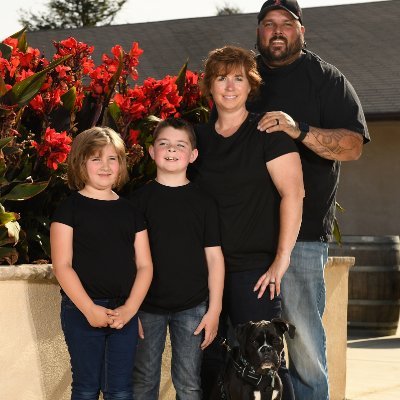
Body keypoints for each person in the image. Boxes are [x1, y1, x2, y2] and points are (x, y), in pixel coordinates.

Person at [249, 1, 371, 399]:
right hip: (242, 236)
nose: (277, 30)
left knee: (302, 348)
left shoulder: (326, 80)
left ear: (303, 31)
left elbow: (352, 146)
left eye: (287, 23)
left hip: (302, 238)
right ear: (259, 31)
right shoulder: (242, 77)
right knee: (241, 347)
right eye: (269, 23)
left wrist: (297, 129)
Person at [191, 45, 304, 400]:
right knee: (207, 363)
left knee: (265, 368)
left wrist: (281, 260)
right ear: (209, 86)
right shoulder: (197, 140)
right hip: (204, 272)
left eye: (238, 78)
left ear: (250, 85)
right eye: (221, 78)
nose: (229, 86)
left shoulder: (268, 132)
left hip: (253, 274)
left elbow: (294, 193)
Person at [50, 126, 153, 400]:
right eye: (96, 159)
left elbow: (145, 266)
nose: (105, 166)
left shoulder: (131, 211)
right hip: (81, 310)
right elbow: (62, 266)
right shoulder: (68, 209)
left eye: (112, 158)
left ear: (121, 165)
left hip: (123, 313)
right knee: (85, 387)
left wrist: (130, 309)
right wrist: (89, 309)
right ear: (81, 164)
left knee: (120, 390)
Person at [131, 118, 225, 400]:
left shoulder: (204, 202)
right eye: (164, 144)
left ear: (193, 155)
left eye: (180, 145)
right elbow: (127, 259)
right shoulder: (137, 202)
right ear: (151, 151)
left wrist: (215, 309)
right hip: (146, 307)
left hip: (193, 307)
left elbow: (215, 258)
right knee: (144, 380)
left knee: (188, 383)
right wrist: (130, 307)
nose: (171, 150)